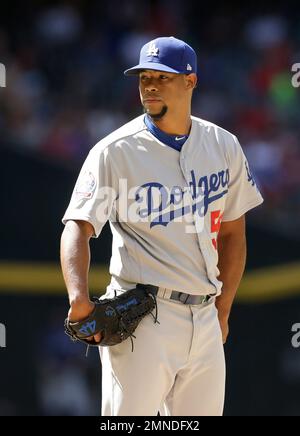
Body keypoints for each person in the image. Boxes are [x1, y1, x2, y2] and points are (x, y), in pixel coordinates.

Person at [60, 36, 263, 416]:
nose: (150, 85)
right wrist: (78, 296)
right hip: (143, 316)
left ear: (190, 81)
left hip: (205, 316)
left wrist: (222, 311)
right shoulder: (114, 151)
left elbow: (235, 233)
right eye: (144, 77)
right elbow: (77, 226)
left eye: (162, 77)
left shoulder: (224, 145)